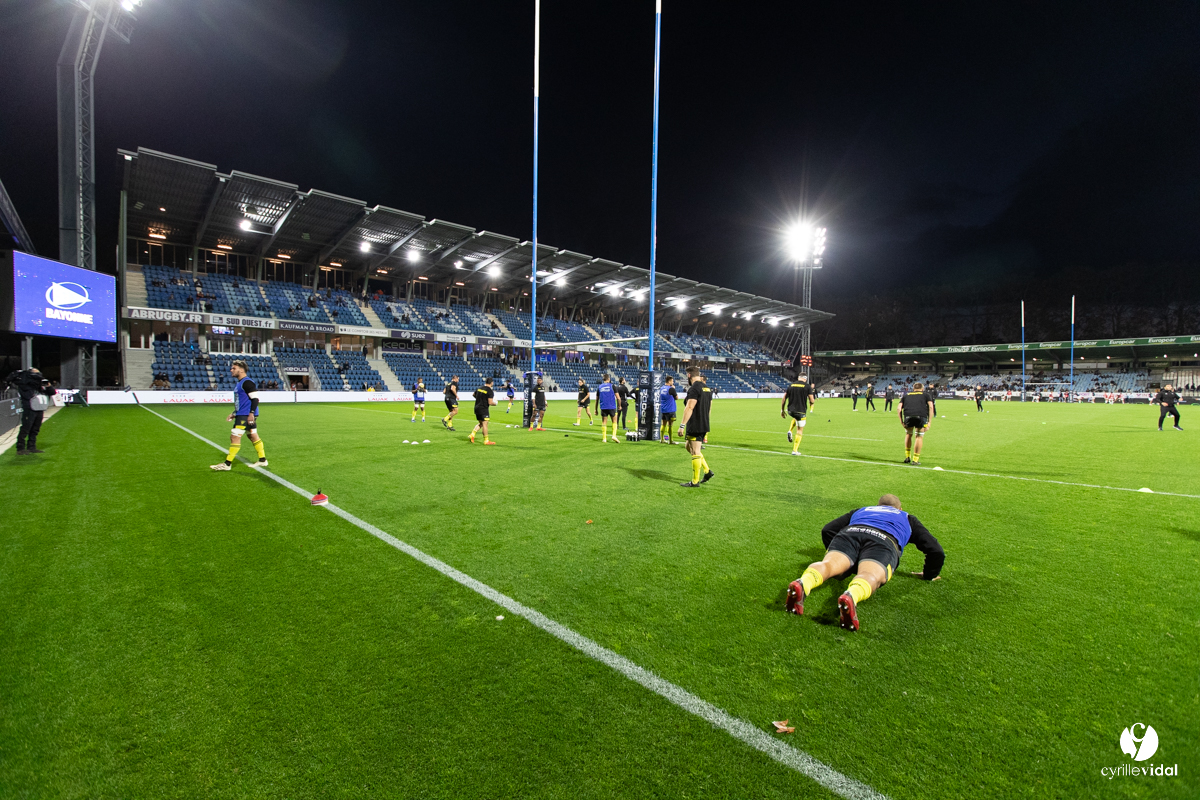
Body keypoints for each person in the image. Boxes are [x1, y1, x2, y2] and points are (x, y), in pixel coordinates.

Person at [784, 494, 944, 632]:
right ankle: (851, 596)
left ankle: (803, 583)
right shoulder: (907, 518)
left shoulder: (862, 510)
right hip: (883, 540)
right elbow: (935, 550)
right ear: (899, 508)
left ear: (877, 505)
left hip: (850, 534)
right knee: (869, 575)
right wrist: (929, 575)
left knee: (828, 565)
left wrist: (846, 562)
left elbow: (828, 530)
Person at [210, 360, 268, 471]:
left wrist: (251, 413)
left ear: (241, 370)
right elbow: (241, 402)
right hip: (243, 413)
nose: (231, 370)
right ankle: (262, 460)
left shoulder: (247, 382)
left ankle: (227, 464)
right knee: (252, 435)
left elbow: (255, 399)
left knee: (234, 436)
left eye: (234, 368)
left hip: (246, 415)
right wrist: (234, 413)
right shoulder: (240, 383)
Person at [677, 366, 714, 487]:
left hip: (696, 423)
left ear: (689, 375)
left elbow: (689, 407)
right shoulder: (707, 388)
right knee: (688, 447)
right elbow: (709, 408)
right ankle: (707, 471)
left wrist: (682, 425)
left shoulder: (694, 389)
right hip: (704, 423)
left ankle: (695, 481)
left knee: (695, 451)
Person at [5, 368, 55, 455]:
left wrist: (48, 386)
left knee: (35, 428)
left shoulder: (39, 384)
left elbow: (52, 392)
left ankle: (31, 447)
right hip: (29, 408)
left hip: (39, 408)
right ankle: (20, 448)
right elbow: (27, 395)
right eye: (36, 372)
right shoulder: (24, 384)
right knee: (26, 428)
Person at [781, 373, 815, 456]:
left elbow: (784, 398)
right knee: (799, 430)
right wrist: (811, 403)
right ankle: (795, 450)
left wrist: (782, 410)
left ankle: (790, 430)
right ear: (805, 379)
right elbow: (812, 400)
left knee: (795, 418)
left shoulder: (791, 385)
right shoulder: (807, 386)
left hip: (790, 411)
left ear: (799, 378)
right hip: (801, 411)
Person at [900, 382, 934, 464]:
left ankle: (907, 457)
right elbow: (931, 406)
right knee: (919, 436)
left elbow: (898, 408)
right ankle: (915, 460)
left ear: (913, 389)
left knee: (908, 434)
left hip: (908, 417)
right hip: (920, 416)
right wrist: (929, 422)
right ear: (922, 389)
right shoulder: (926, 395)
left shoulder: (906, 395)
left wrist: (902, 422)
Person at [469, 377, 498, 445]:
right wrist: (495, 403)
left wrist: (480, 399)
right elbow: (490, 402)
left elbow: (473, 394)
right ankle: (486, 440)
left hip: (476, 408)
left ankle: (472, 434)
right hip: (483, 409)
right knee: (485, 424)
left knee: (481, 423)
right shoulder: (490, 391)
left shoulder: (480, 388)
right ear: (491, 383)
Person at [594, 373, 620, 443]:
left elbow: (597, 399)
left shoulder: (599, 387)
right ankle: (614, 436)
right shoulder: (612, 386)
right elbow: (618, 398)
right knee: (614, 421)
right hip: (611, 406)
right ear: (609, 379)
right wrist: (619, 406)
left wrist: (595, 409)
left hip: (603, 407)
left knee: (604, 422)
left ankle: (604, 438)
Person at [658, 375, 678, 444]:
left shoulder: (661, 388)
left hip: (663, 409)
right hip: (670, 409)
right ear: (669, 381)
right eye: (672, 381)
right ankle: (671, 440)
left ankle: (662, 439)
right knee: (670, 424)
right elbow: (676, 397)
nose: (673, 382)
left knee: (663, 424)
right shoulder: (671, 389)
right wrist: (674, 389)